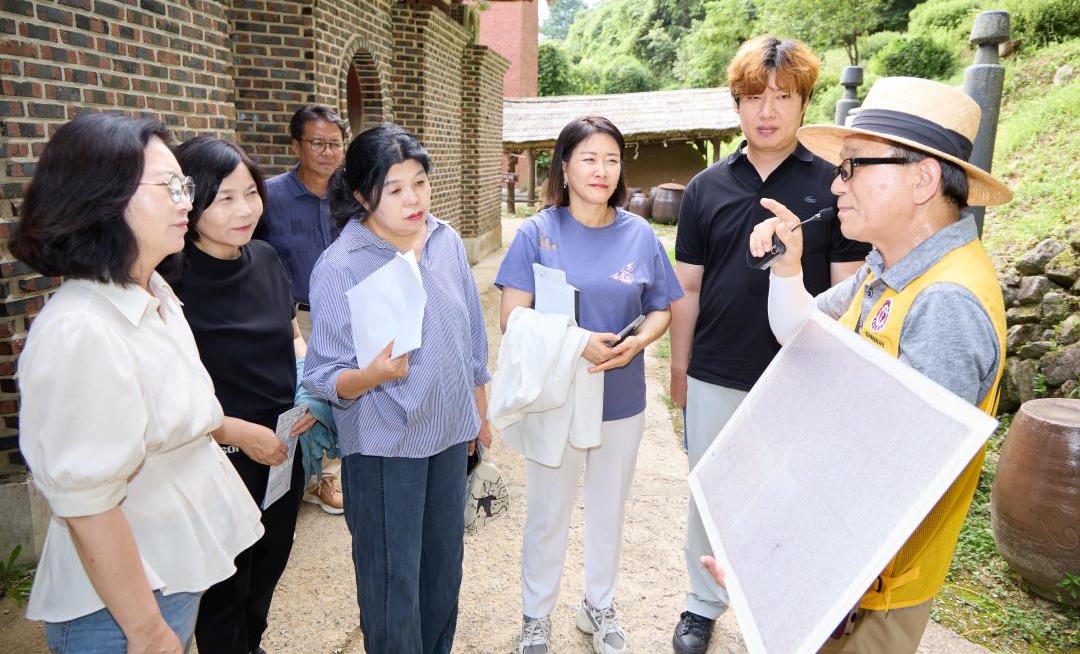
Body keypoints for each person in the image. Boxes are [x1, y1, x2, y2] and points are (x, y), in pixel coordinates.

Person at [751, 76, 1010, 653]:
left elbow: (902, 482)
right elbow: (803, 333)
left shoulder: (945, 303)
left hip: (868, 587)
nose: (835, 184)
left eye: (852, 166)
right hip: (840, 561)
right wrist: (788, 266)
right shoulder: (886, 268)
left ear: (921, 179)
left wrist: (784, 567)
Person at [12, 114, 263, 653]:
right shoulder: (80, 329)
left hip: (171, 575)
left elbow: (176, 414)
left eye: (184, 186)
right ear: (103, 199)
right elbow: (88, 502)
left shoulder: (153, 293)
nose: (185, 202)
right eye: (167, 187)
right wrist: (146, 630)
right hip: (121, 608)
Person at [669, 35, 870, 654]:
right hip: (714, 368)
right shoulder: (705, 188)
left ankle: (779, 609)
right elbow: (688, 287)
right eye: (755, 97)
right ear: (736, 104)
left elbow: (847, 289)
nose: (767, 110)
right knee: (711, 490)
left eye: (783, 97)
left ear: (805, 103)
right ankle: (702, 603)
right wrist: (679, 368)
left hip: (799, 371)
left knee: (791, 494)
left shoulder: (835, 186)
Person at [496, 116, 683, 654]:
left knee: (608, 510)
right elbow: (511, 316)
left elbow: (661, 308)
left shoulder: (639, 234)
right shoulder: (537, 233)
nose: (602, 170)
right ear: (564, 166)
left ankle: (598, 606)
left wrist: (639, 342)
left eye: (612, 159)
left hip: (620, 397)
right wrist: (577, 342)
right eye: (589, 158)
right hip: (556, 396)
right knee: (547, 513)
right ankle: (536, 617)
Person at [302, 123, 491, 654]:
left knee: (442, 570)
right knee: (392, 583)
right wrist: (372, 375)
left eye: (420, 183)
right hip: (386, 445)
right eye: (395, 188)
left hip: (449, 435)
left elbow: (472, 333)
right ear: (363, 196)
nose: (414, 199)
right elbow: (322, 373)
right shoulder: (342, 264)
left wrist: (478, 414)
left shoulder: (445, 239)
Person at [170, 137, 316, 654]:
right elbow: (166, 390)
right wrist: (236, 434)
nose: (245, 209)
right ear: (191, 200)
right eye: (225, 198)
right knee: (223, 589)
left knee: (267, 568)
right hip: (216, 454)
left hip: (280, 447)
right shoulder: (169, 278)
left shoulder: (266, 257)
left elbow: (290, 335)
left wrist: (308, 390)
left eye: (251, 193)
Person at [257, 104, 347, 514]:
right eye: (317, 143)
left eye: (335, 143)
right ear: (295, 145)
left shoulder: (352, 194)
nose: (327, 152)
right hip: (294, 316)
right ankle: (298, 475)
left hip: (345, 312)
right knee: (301, 397)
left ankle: (328, 475)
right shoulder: (269, 197)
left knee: (341, 392)